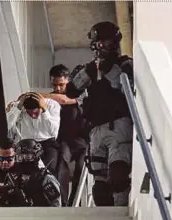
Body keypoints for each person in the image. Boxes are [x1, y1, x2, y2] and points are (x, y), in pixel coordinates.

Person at [65, 21, 133, 206]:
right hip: (95, 130)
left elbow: (125, 86)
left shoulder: (125, 64)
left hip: (118, 125)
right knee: (100, 187)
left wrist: (108, 68)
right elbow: (71, 91)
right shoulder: (91, 68)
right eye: (98, 44)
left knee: (118, 174)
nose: (101, 48)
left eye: (105, 43)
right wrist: (89, 71)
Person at [43, 64, 88, 206]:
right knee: (62, 163)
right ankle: (62, 203)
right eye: (54, 85)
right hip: (65, 142)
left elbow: (64, 99)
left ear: (68, 81)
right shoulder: (50, 99)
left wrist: (40, 95)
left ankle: (75, 201)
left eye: (61, 85)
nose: (57, 88)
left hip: (82, 141)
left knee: (81, 167)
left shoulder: (81, 94)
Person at [6, 92, 61, 177]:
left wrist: (45, 111)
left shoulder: (53, 105)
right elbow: (7, 125)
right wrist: (18, 108)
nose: (33, 115)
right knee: (25, 174)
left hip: (48, 143)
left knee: (50, 173)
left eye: (36, 113)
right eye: (29, 113)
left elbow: (53, 131)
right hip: (26, 144)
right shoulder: (19, 106)